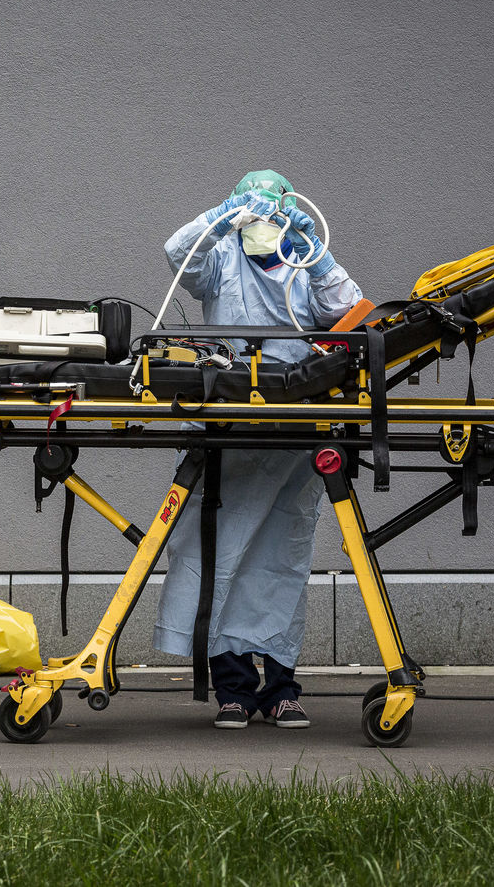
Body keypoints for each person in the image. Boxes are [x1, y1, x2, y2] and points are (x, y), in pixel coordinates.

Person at [152, 170, 364, 730]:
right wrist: (221, 217)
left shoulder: (303, 260)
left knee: (280, 560)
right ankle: (234, 689)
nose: (264, 221)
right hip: (227, 424)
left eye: (272, 210)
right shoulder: (221, 257)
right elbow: (178, 253)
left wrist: (316, 253)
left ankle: (281, 688)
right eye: (255, 209)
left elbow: (350, 309)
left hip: (293, 430)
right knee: (218, 554)